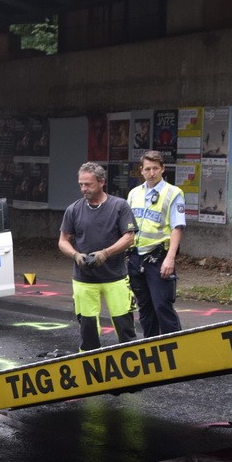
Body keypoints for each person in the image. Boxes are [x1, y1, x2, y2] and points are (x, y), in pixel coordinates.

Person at [58, 162, 138, 351]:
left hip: (115, 277)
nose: (83, 188)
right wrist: (76, 255)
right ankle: (89, 364)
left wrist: (105, 253)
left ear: (102, 182)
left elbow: (130, 237)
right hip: (84, 279)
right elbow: (63, 240)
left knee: (124, 326)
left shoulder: (119, 206)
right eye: (81, 184)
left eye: (88, 184)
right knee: (88, 329)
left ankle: (132, 364)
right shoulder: (74, 209)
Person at [127, 150, 185, 337]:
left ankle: (176, 347)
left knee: (162, 305)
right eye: (147, 169)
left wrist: (170, 258)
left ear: (162, 169)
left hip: (159, 258)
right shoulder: (134, 193)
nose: (151, 172)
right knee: (144, 308)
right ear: (141, 171)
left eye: (155, 168)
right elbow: (128, 227)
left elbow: (177, 227)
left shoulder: (173, 193)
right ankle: (150, 347)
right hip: (136, 257)